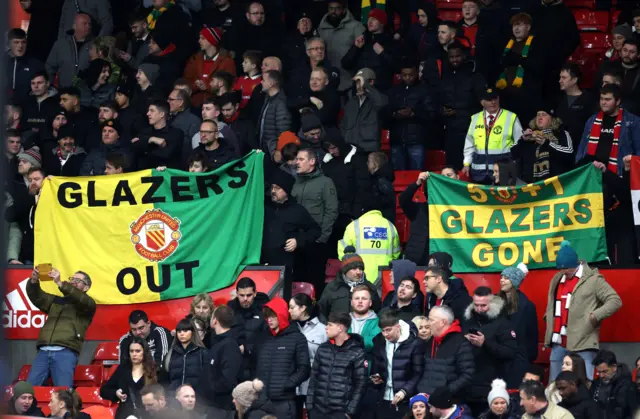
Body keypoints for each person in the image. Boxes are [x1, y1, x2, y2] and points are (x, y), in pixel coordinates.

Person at [544, 240, 622, 381]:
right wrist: (548, 317)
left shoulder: (593, 279)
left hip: (583, 341)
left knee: (585, 382)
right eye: (560, 269)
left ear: (575, 265)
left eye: (566, 269)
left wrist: (595, 315)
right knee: (554, 385)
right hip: (559, 341)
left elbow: (615, 300)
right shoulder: (557, 279)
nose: (563, 272)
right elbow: (553, 303)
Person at [25, 266, 96, 387]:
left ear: (86, 288)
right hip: (43, 352)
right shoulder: (57, 301)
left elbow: (78, 297)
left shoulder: (88, 304)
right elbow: (37, 297)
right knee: (28, 392)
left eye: (78, 281)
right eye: (72, 279)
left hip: (66, 352)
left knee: (64, 395)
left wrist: (59, 282)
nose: (73, 281)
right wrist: (34, 281)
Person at [462, 286, 517, 415]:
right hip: (469, 383)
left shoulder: (503, 324)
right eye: (476, 305)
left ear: (492, 304)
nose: (479, 309)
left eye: (483, 306)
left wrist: (485, 343)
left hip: (491, 383)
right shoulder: (468, 320)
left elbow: (509, 352)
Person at [291, 148, 338, 293]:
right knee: (297, 281)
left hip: (316, 243)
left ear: (312, 162)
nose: (296, 162)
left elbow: (332, 211)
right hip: (297, 241)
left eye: (301, 159)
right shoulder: (294, 182)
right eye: (296, 159)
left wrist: (322, 237)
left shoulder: (325, 182)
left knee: (315, 281)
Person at [256, 297, 311, 419]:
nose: (269, 320)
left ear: (281, 315)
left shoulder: (297, 338)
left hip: (284, 402)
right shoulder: (263, 338)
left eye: (272, 316)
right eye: (267, 317)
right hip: (262, 401)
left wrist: (287, 384)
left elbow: (304, 369)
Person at [306, 311, 367, 419]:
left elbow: (361, 384)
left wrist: (349, 412)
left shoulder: (357, 352)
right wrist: (310, 407)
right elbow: (313, 379)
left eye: (330, 325)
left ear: (340, 328)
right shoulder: (323, 349)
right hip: (318, 410)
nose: (326, 328)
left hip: (340, 412)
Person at [435, 42, 486, 170]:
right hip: (450, 130)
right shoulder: (444, 78)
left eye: (457, 56)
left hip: (470, 129)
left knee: (472, 167)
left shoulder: (475, 76)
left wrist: (458, 113)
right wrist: (442, 110)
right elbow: (437, 101)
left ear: (463, 56)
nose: (454, 59)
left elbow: (481, 105)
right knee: (452, 167)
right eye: (451, 57)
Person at [576, 84, 640, 178]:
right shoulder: (592, 120)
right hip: (592, 174)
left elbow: (638, 150)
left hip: (618, 176)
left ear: (618, 101)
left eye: (607, 99)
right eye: (602, 99)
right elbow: (582, 148)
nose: (603, 102)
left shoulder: (632, 122)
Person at [370, 309, 425, 419]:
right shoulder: (379, 342)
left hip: (405, 399)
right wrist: (375, 378)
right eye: (383, 331)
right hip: (383, 397)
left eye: (388, 330)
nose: (385, 334)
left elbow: (418, 373)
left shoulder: (414, 343)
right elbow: (376, 368)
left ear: (398, 327)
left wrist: (404, 391)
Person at [462, 88, 522, 184]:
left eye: (495, 98)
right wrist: (466, 163)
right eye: (489, 100)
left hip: (502, 171)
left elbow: (519, 142)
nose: (493, 102)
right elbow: (469, 143)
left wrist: (511, 162)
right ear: (482, 102)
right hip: (479, 172)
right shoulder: (475, 118)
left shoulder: (511, 117)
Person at [494, 13, 544, 124]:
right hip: (506, 95)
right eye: (514, 25)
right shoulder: (507, 43)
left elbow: (538, 66)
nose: (516, 28)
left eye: (520, 25)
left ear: (528, 27)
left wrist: (518, 59)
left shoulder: (536, 43)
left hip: (526, 97)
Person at [387, 60, 436, 170]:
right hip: (397, 140)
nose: (408, 78)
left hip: (417, 141)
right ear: (400, 75)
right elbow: (386, 113)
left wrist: (413, 113)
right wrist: (395, 114)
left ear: (417, 73)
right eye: (404, 75)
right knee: (398, 177)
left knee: (417, 177)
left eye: (411, 75)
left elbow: (431, 114)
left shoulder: (425, 90)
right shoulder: (394, 91)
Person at [418, 305, 474, 399]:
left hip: (447, 402)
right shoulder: (431, 341)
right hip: (425, 399)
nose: (428, 324)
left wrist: (447, 391)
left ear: (442, 322)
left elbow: (468, 374)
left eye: (431, 320)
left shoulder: (460, 343)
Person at [499, 263, 539, 389]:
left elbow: (532, 335)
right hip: (498, 359)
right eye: (501, 277)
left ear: (514, 281)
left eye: (506, 278)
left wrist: (527, 358)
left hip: (518, 361)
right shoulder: (495, 303)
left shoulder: (527, 306)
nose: (502, 280)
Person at [288, 294, 328, 418]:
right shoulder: (289, 328)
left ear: (302, 308)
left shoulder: (323, 330)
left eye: (292, 307)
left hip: (313, 383)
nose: (289, 311)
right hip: (292, 382)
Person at [317, 247, 381, 323]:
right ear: (345, 271)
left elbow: (378, 312)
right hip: (337, 331)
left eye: (360, 269)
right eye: (354, 269)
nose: (358, 272)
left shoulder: (370, 288)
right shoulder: (332, 287)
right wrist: (328, 327)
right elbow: (320, 311)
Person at [338, 206, 400, 284]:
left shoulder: (353, 225)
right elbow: (396, 254)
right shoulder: (390, 226)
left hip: (358, 276)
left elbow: (343, 254)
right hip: (383, 277)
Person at [341, 9, 399, 92]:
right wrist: (356, 48)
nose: (370, 21)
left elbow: (397, 67)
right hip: (359, 91)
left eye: (374, 19)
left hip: (381, 91)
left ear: (382, 23)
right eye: (369, 18)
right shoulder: (362, 41)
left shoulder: (390, 42)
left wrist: (382, 53)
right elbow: (345, 64)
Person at [511, 106, 575, 182]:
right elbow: (512, 154)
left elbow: (569, 152)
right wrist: (522, 139)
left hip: (556, 183)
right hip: (531, 186)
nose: (540, 118)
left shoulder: (560, 133)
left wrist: (546, 143)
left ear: (552, 119)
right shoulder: (529, 136)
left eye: (544, 115)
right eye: (538, 115)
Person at [100, 337, 158, 419]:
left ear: (144, 352)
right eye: (131, 351)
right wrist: (116, 393)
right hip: (124, 414)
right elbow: (104, 391)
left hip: (147, 415)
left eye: (138, 351)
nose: (134, 354)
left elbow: (161, 394)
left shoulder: (154, 369)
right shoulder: (122, 369)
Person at [317, 1, 366, 93]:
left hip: (351, 82)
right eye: (331, 8)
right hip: (327, 82)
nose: (333, 11)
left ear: (344, 10)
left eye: (337, 8)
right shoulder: (320, 29)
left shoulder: (356, 26)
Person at [184, 26, 236, 108]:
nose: (199, 41)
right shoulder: (195, 59)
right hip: (195, 105)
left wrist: (207, 87)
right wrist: (196, 85)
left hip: (218, 105)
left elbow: (229, 86)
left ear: (211, 41)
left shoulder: (227, 62)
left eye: (203, 38)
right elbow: (187, 81)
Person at [341, 68, 388, 152]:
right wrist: (346, 138)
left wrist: (367, 87)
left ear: (371, 82)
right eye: (357, 82)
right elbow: (344, 124)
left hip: (369, 148)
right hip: (350, 147)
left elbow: (380, 104)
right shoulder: (351, 101)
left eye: (361, 82)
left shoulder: (380, 99)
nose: (358, 86)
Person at [207, 305, 243, 414]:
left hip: (223, 407)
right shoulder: (220, 342)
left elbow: (228, 379)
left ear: (215, 321)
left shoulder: (229, 345)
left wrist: (211, 389)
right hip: (216, 405)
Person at [161, 317, 211, 396]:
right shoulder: (171, 353)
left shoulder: (203, 352)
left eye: (185, 330)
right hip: (174, 397)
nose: (182, 334)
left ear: (193, 332)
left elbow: (207, 379)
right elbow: (166, 378)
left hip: (196, 397)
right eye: (179, 331)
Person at [556, 64, 598, 151]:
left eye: (564, 78)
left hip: (581, 147)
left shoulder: (588, 99)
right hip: (560, 146)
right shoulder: (558, 99)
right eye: (560, 77)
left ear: (574, 80)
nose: (560, 80)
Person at [46, 13, 94, 88]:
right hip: (65, 93)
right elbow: (50, 68)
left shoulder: (95, 44)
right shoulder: (61, 44)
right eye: (84, 24)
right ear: (74, 26)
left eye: (89, 24)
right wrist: (49, 88)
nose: (88, 26)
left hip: (87, 95)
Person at [133, 100, 183, 169]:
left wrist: (145, 148)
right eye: (148, 111)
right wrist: (151, 139)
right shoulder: (144, 132)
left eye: (152, 111)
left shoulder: (176, 133)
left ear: (161, 114)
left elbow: (166, 154)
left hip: (165, 176)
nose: (148, 113)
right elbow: (133, 147)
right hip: (145, 174)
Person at [590, 350, 636, 419]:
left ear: (614, 367)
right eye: (599, 372)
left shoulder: (627, 385)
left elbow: (625, 412)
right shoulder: (596, 383)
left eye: (605, 371)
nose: (601, 375)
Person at [6, 29, 44, 107]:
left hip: (27, 110)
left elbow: (44, 90)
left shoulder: (36, 64)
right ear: (9, 44)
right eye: (16, 42)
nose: (20, 46)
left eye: (23, 42)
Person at [258, 70, 292, 158]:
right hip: (267, 150)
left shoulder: (280, 103)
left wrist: (278, 150)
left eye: (264, 80)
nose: (261, 82)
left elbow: (283, 130)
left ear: (271, 83)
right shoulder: (268, 99)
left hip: (274, 153)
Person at [348, 285, 381, 367]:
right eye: (356, 298)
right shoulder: (343, 320)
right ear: (351, 302)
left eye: (364, 298)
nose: (360, 301)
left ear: (370, 303)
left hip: (367, 366)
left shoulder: (378, 322)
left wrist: (349, 340)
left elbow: (373, 343)